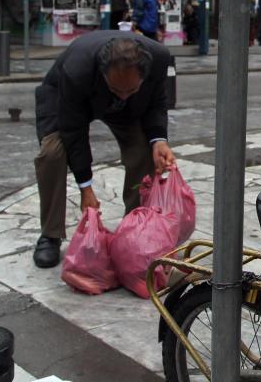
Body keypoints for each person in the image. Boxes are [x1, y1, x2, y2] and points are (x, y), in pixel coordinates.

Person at [32, 31, 176, 268]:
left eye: (130, 89)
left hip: (129, 111)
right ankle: (50, 234)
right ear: (103, 73)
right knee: (52, 153)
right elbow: (73, 130)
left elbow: (157, 102)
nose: (122, 94)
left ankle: (135, 225)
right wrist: (85, 187)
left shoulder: (159, 58)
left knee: (143, 151)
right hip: (66, 99)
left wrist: (159, 140)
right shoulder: (77, 69)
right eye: (117, 88)